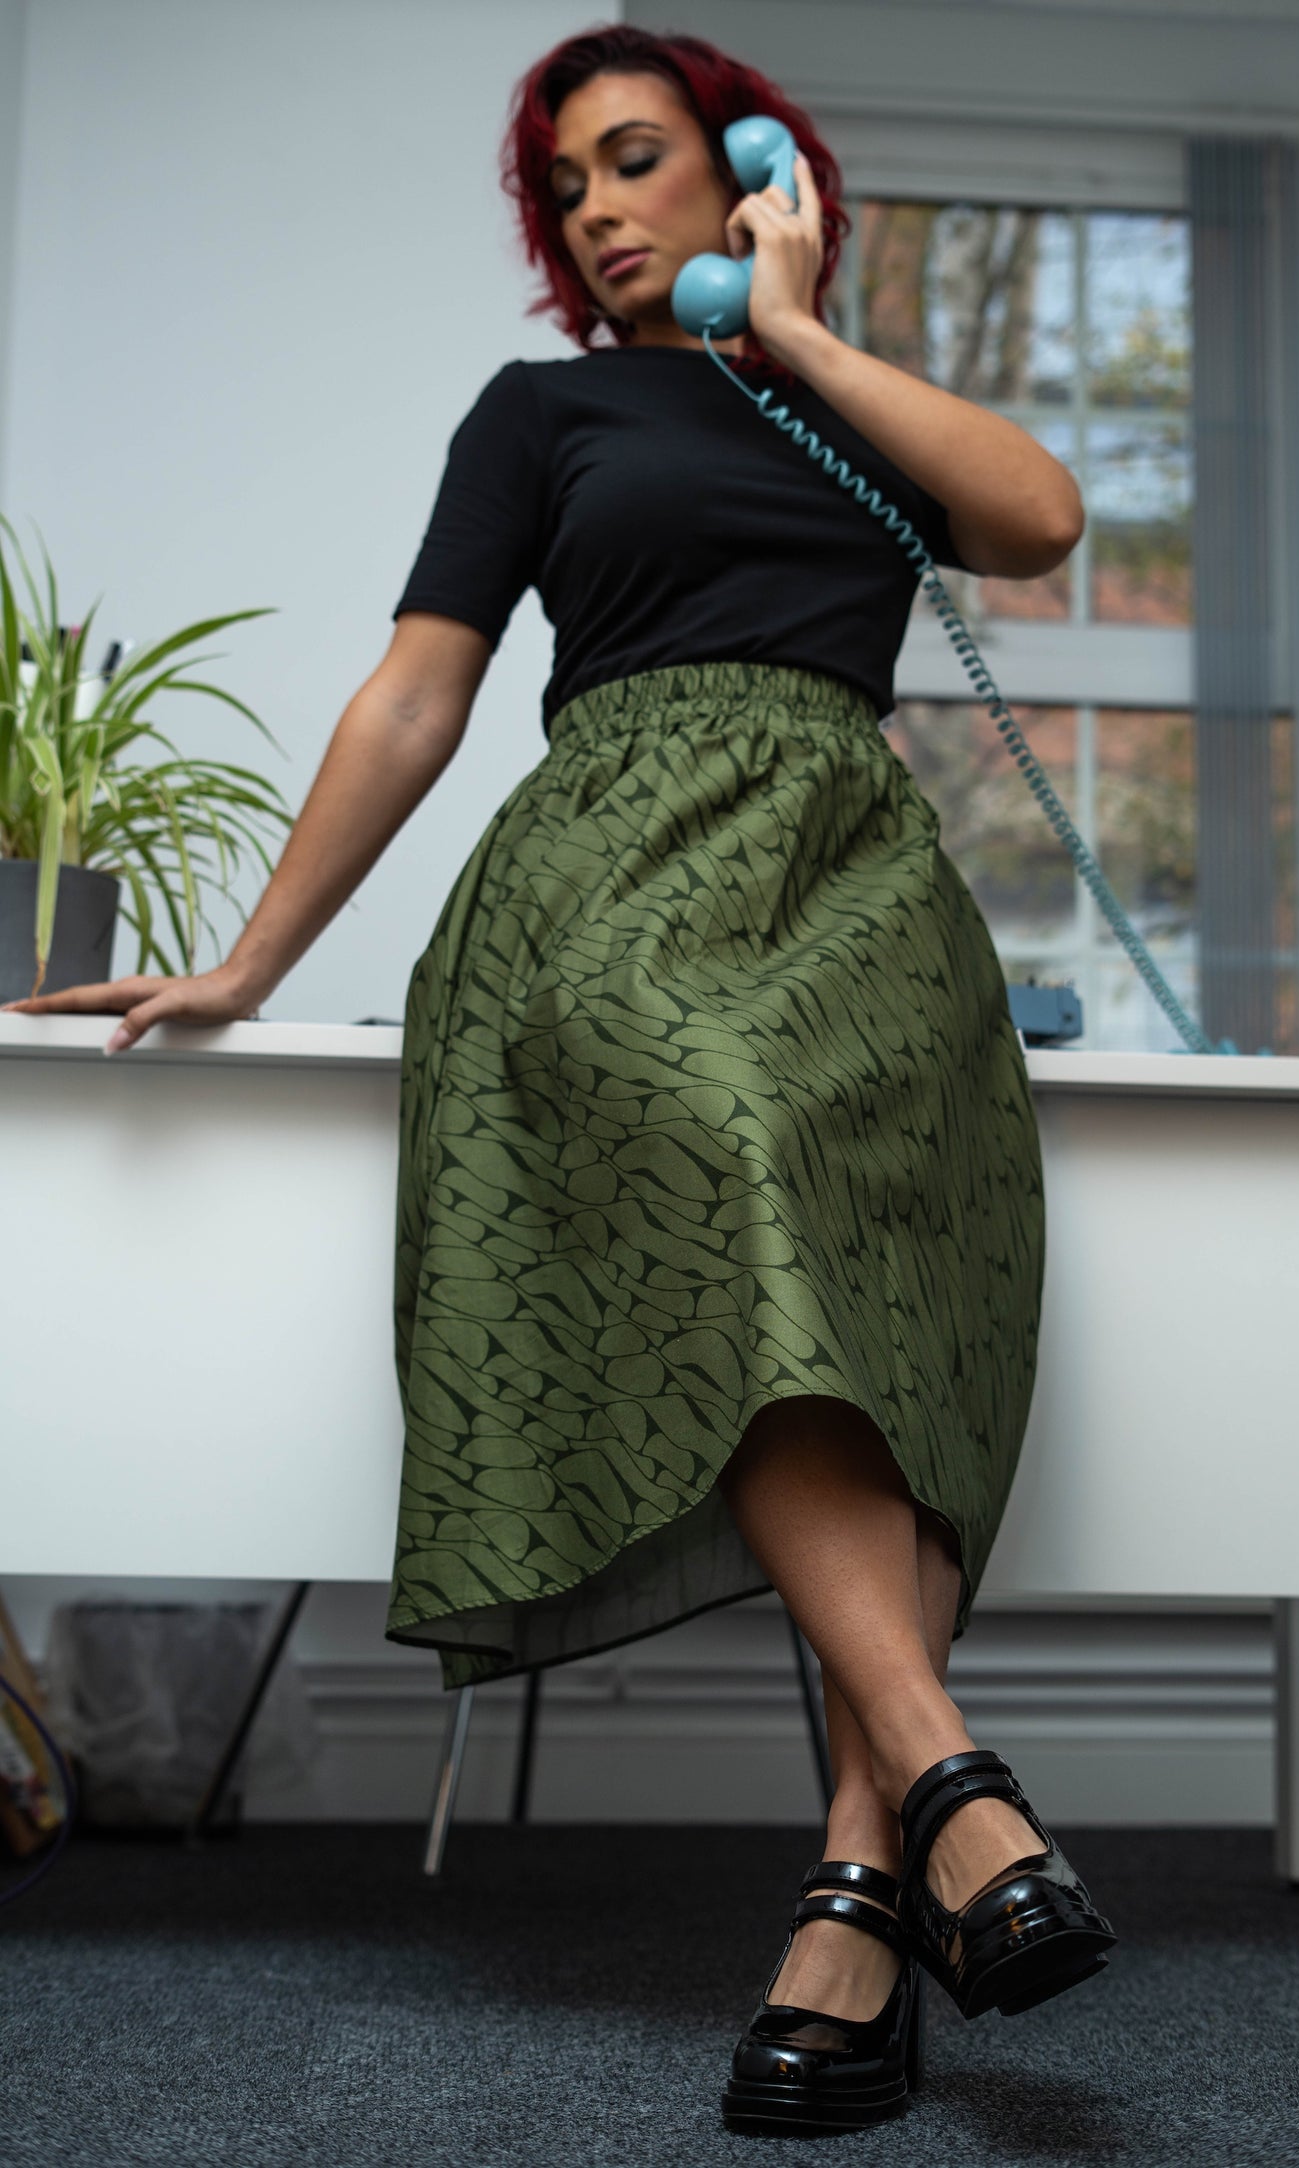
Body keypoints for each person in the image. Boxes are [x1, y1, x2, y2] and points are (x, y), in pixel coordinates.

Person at [3, 24, 1115, 2136]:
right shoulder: (539, 413)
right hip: (613, 881)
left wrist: (790, 328)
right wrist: (250, 954)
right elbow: (419, 694)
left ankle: (861, 1902)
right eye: (568, 187)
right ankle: (952, 1777)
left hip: (857, 889)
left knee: (892, 1282)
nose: (599, 210)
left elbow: (1040, 519)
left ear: (750, 170)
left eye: (636, 162)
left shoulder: (833, 395)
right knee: (741, 1150)